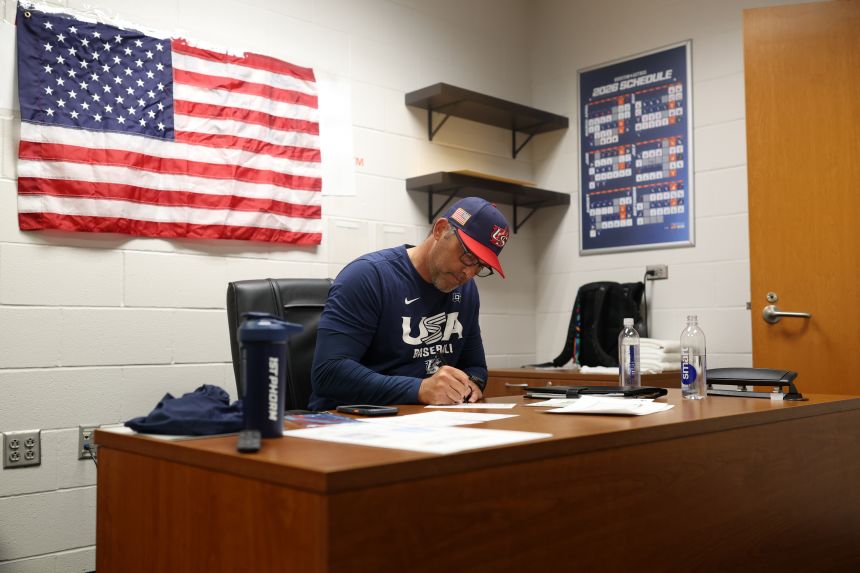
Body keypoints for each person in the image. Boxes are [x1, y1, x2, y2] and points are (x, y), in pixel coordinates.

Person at [309, 197, 510, 410]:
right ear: (440, 230)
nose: (469, 273)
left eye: (481, 266)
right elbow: (328, 373)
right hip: (349, 421)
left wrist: (471, 385)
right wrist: (420, 389)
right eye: (468, 257)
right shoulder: (368, 277)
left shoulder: (466, 290)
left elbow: (475, 366)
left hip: (423, 422)